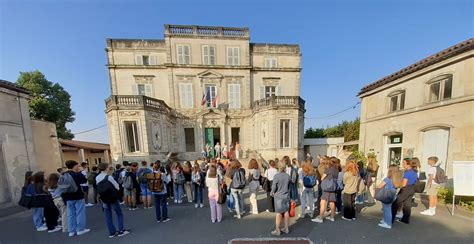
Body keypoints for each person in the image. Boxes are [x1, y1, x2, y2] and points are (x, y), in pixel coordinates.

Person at [96, 163, 130, 237]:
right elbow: (117, 186)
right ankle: (121, 230)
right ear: (106, 168)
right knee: (119, 213)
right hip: (112, 198)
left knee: (108, 215)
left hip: (104, 198)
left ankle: (112, 232)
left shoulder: (97, 177)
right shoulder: (109, 177)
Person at [62, 160, 90, 237]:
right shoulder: (77, 174)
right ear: (74, 166)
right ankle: (80, 229)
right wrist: (80, 172)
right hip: (78, 195)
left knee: (70, 214)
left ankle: (71, 230)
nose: (78, 167)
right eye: (77, 166)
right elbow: (84, 180)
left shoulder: (63, 174)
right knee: (80, 212)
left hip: (67, 196)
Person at [312, 157, 339, 223]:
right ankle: (332, 217)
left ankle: (320, 218)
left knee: (323, 202)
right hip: (333, 188)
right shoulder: (336, 170)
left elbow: (322, 178)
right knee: (332, 202)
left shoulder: (328, 169)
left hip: (327, 188)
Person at [391, 158, 417, 224]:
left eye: (404, 163)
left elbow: (404, 184)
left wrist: (398, 187)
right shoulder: (414, 172)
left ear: (408, 164)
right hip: (412, 188)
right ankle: (405, 220)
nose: (403, 164)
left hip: (406, 189)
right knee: (407, 205)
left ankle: (390, 220)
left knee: (395, 203)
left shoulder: (407, 173)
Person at [377, 165, 402, 229]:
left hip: (386, 194)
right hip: (393, 194)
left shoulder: (388, 179)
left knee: (386, 209)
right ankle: (385, 220)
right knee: (388, 209)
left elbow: (380, 186)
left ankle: (388, 223)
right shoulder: (397, 178)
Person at [270, 159, 291, 236]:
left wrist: (272, 193)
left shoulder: (276, 176)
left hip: (278, 197)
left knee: (278, 213)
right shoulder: (288, 176)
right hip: (286, 196)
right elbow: (289, 186)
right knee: (286, 212)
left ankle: (277, 230)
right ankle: (286, 228)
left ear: (278, 167)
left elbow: (274, 187)